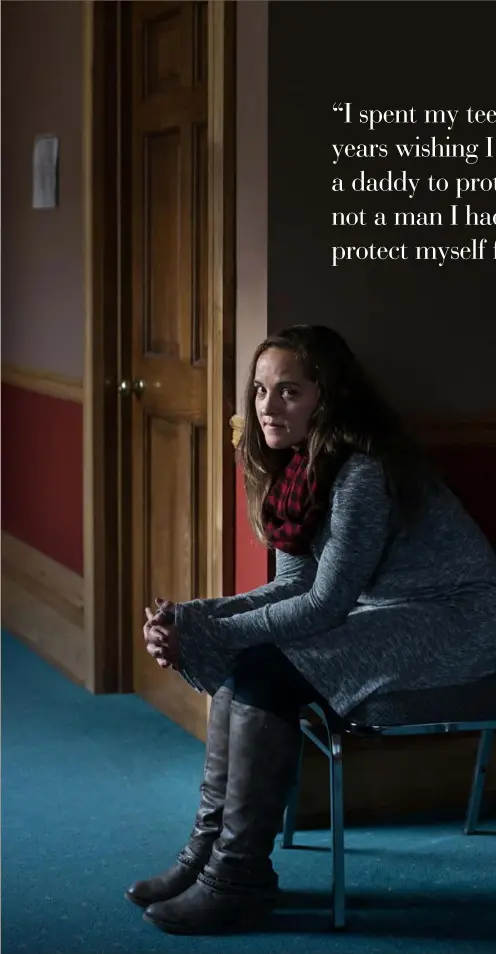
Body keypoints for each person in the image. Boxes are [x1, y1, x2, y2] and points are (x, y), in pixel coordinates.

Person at [126, 324, 496, 935]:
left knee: (260, 666)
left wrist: (211, 634)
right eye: (261, 390)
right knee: (252, 661)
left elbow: (323, 605)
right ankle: (207, 855)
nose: (268, 407)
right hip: (391, 613)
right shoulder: (297, 472)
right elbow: (293, 585)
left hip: (458, 620)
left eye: (290, 392)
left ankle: (237, 875)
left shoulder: (360, 475)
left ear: (330, 397)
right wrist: (189, 619)